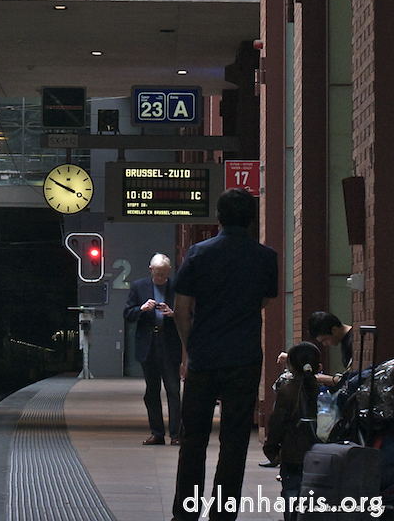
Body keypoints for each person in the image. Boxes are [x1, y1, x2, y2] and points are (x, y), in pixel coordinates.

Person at [171, 188, 278, 521]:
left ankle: (185, 513)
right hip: (244, 358)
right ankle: (222, 514)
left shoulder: (198, 253)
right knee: (234, 442)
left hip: (204, 358)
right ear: (251, 219)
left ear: (218, 216)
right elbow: (263, 302)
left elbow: (181, 309)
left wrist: (193, 348)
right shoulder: (265, 257)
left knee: (193, 440)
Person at [124, 253, 182, 445]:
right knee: (152, 391)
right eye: (157, 274)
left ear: (169, 272)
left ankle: (176, 435)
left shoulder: (176, 287)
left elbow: (189, 313)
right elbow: (128, 314)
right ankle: (157, 432)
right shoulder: (139, 287)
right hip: (148, 344)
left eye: (164, 275)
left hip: (169, 341)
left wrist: (173, 314)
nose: (160, 278)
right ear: (151, 270)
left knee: (173, 390)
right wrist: (142, 309)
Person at [262, 343, 321, 520]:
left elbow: (277, 423)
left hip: (293, 454)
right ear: (319, 367)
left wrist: (271, 449)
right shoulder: (322, 390)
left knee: (291, 492)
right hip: (320, 455)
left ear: (291, 367)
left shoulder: (287, 391)